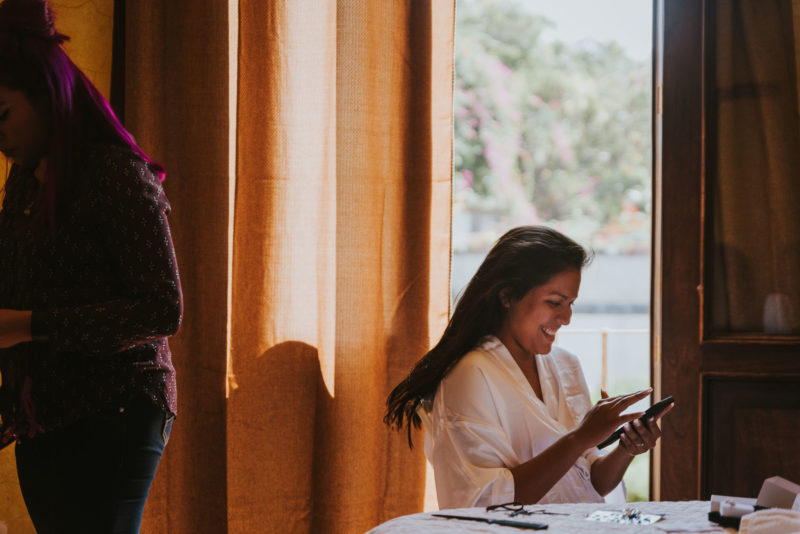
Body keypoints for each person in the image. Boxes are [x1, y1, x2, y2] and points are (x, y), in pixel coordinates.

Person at [0, 0, 182, 532]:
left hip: (116, 407)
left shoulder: (116, 174)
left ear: (48, 95)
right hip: (44, 410)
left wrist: (28, 325)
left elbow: (161, 310)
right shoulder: (25, 181)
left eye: (3, 115)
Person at [385, 226, 672, 508]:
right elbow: (485, 501)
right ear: (507, 296)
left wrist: (626, 448)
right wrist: (580, 437)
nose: (566, 318)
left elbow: (590, 482)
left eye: (571, 303)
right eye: (555, 302)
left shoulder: (567, 365)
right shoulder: (470, 375)